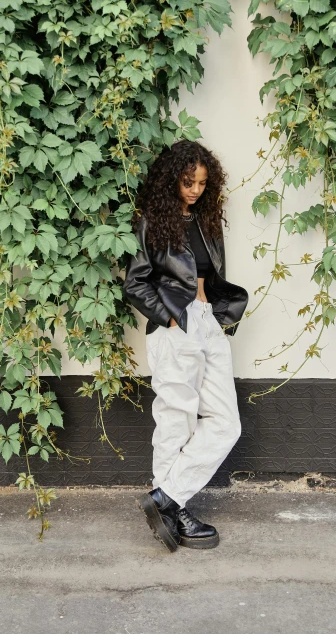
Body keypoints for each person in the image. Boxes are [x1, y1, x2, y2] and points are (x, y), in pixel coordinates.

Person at [122, 140, 249, 551]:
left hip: (207, 320)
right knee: (177, 420)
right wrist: (171, 317)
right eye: (187, 182)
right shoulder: (152, 222)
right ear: (171, 179)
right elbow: (135, 283)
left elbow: (211, 275)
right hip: (175, 323)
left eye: (201, 183)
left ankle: (165, 500)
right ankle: (174, 512)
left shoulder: (205, 221)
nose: (195, 189)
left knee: (226, 422)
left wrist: (212, 315)